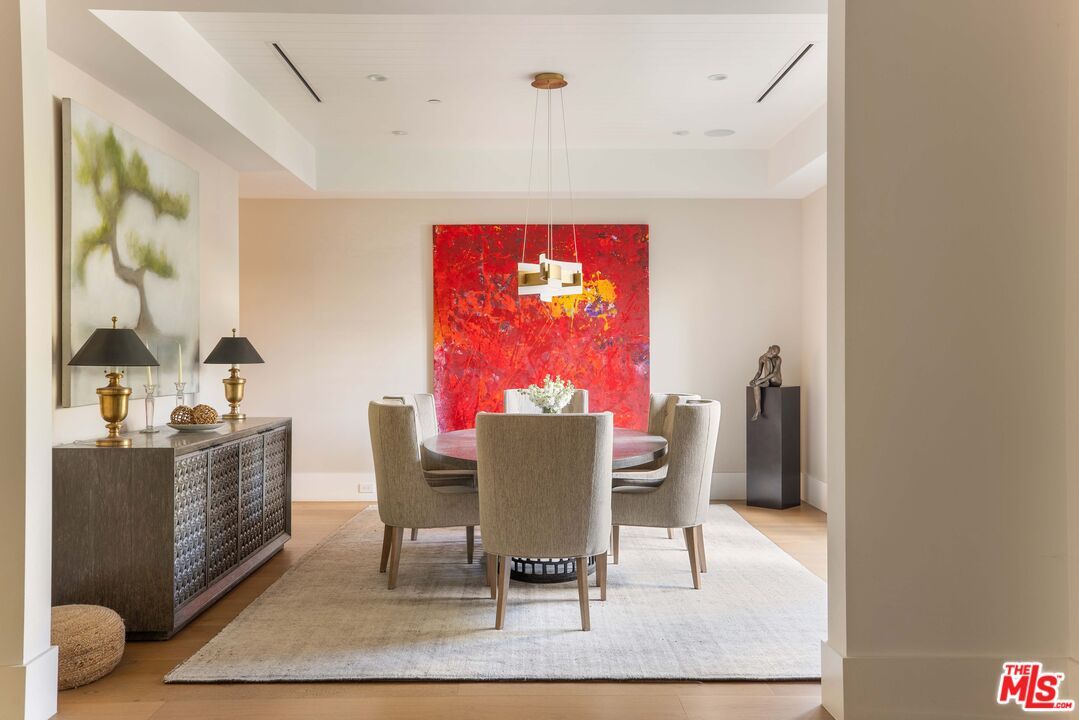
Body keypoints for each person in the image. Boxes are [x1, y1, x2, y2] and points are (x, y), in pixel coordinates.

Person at [749, 345, 782, 421]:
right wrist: (754, 380)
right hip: (767, 380)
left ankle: (765, 382)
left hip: (775, 380)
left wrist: (761, 380)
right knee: (756, 385)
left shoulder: (778, 359)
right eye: (772, 352)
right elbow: (759, 372)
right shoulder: (761, 358)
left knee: (768, 360)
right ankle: (758, 409)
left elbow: (774, 373)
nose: (773, 355)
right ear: (769, 348)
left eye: (775, 354)